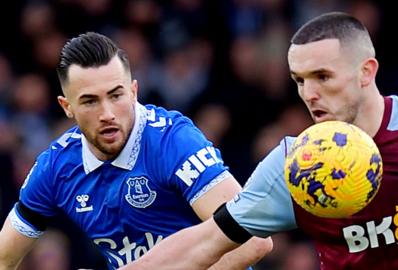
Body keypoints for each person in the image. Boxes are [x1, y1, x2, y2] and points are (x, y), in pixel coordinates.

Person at [120, 12, 398, 270]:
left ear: (366, 71)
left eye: (323, 76)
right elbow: (206, 242)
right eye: (300, 80)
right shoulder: (294, 164)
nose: (309, 94)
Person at [0, 32, 272, 269]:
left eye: (116, 95)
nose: (107, 113)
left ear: (133, 92)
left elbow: (253, 242)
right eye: (90, 101)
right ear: (66, 106)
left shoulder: (173, 141)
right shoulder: (57, 166)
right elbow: (4, 258)